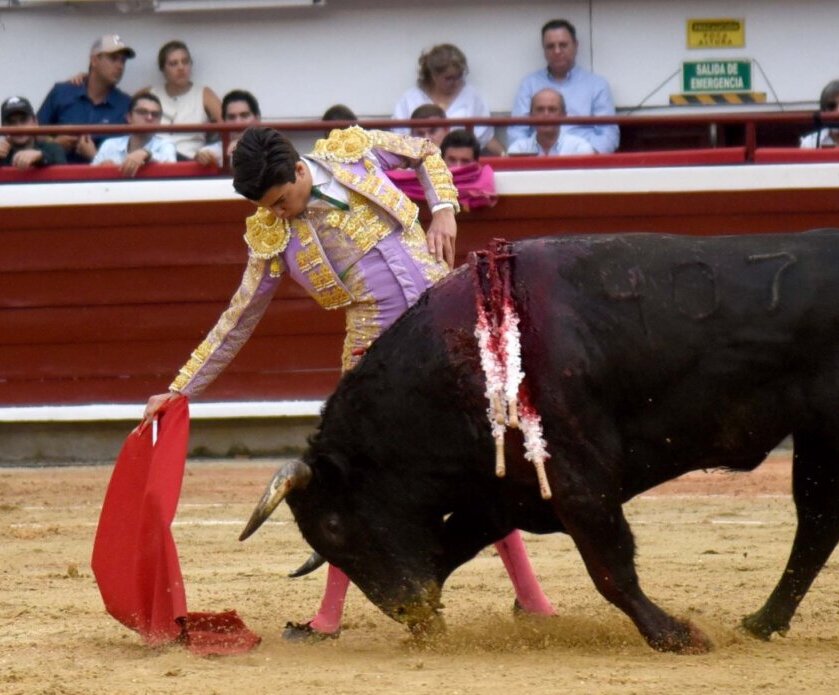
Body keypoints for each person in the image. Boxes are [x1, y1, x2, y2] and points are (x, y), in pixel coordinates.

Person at [140, 125, 553, 641]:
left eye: (282, 200)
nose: (278, 213)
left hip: (445, 323)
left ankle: (532, 597)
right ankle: (328, 616)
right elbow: (238, 317)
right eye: (267, 207)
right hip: (374, 354)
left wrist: (443, 207)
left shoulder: (350, 152)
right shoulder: (274, 234)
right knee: (353, 483)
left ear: (297, 170)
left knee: (483, 456)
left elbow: (426, 152)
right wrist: (181, 389)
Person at [508, 19, 619, 154]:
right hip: (539, 160)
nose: (557, 51)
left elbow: (608, 133)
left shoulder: (597, 85)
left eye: (563, 45)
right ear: (544, 49)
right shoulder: (529, 84)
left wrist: (588, 159)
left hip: (583, 162)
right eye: (550, 46)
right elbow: (517, 132)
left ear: (576, 46)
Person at [37, 34, 136, 163]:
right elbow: (35, 132)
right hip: (57, 177)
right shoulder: (62, 92)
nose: (120, 66)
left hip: (104, 180)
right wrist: (54, 144)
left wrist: (94, 155)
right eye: (113, 58)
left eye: (123, 61)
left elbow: (130, 150)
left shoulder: (126, 104)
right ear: (94, 60)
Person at [392, 44, 504, 155]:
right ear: (434, 76)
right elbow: (398, 141)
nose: (455, 83)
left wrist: (504, 155)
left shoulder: (471, 96)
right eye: (449, 78)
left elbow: (485, 138)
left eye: (459, 76)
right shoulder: (411, 99)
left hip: (460, 161)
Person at [140, 40, 221, 161]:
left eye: (185, 62)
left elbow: (227, 127)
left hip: (193, 162)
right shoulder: (149, 93)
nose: (181, 68)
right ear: (163, 69)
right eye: (173, 64)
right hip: (154, 161)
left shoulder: (205, 94)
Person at [91, 92, 177, 176]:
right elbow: (90, 176)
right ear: (129, 117)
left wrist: (146, 154)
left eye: (155, 114)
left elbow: (171, 168)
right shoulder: (110, 145)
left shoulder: (166, 145)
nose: (149, 117)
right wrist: (102, 170)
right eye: (142, 112)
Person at [507, 88, 594, 156]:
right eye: (540, 109)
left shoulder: (579, 148)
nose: (546, 115)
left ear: (564, 115)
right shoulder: (519, 149)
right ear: (530, 116)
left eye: (552, 109)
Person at [194, 89, 260, 168]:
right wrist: (202, 156)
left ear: (257, 119)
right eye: (231, 117)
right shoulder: (219, 148)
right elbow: (205, 153)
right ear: (224, 121)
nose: (238, 123)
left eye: (244, 115)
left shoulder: (272, 145)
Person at [0, 96, 66, 169]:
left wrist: (41, 157)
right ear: (4, 127)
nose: (19, 127)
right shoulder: (2, 154)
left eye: (24, 120)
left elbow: (62, 169)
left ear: (35, 122)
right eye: (11, 122)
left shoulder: (52, 148)